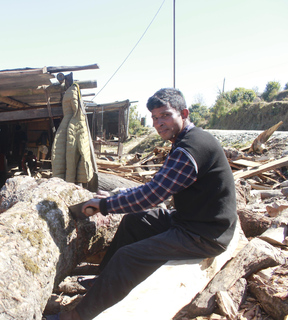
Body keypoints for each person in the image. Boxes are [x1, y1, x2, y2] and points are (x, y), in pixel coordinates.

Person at [59, 88, 237, 320]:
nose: (158, 123)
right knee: (135, 220)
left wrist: (104, 206)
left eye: (165, 115)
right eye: (154, 118)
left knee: (128, 256)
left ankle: (78, 316)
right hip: (189, 220)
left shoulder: (191, 149)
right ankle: (103, 282)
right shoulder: (185, 140)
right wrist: (114, 196)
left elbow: (153, 196)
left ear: (184, 113)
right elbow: (156, 186)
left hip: (204, 234)